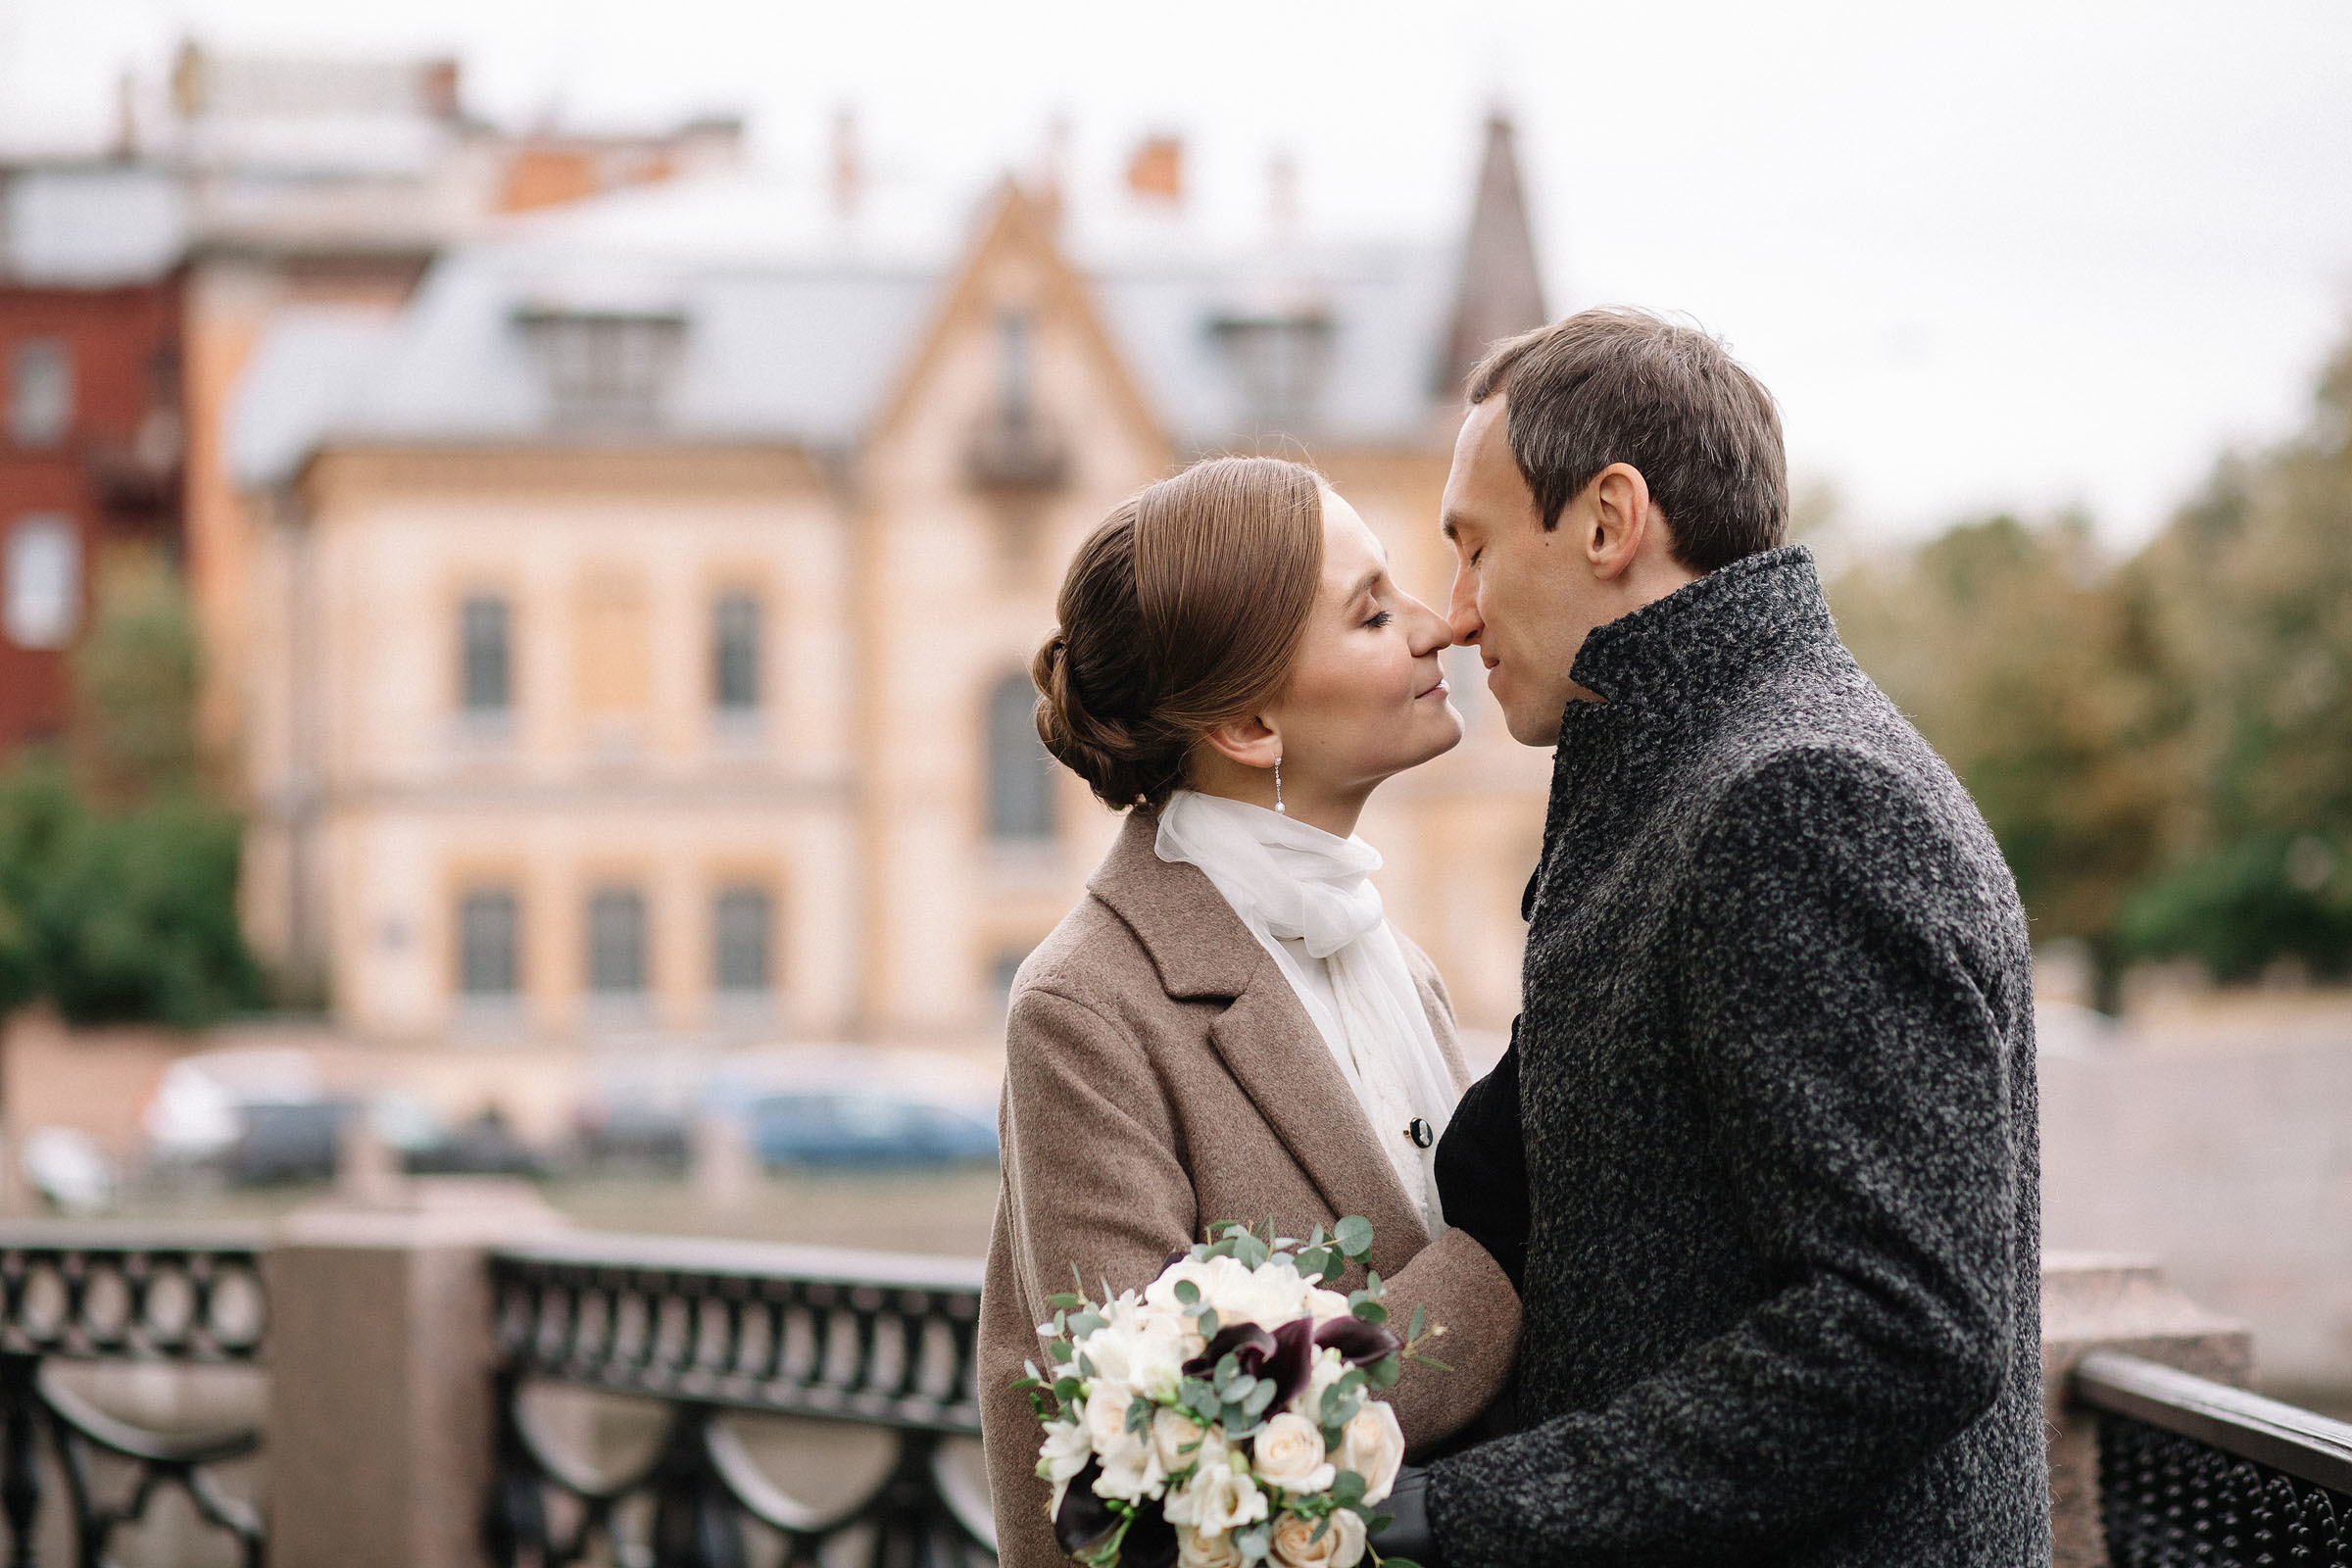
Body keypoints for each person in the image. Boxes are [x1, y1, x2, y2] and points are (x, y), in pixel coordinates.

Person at [1386, 309, 2051, 1567]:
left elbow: (1901, 1324)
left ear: (1607, 520)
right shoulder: (1696, 772)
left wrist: (1460, 1513)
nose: (1457, 616)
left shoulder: (1793, 798)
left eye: (1471, 549)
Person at [977, 457, 1522, 1568]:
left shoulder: (1396, 962)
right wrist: (1500, 1257)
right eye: (1374, 613)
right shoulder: (1084, 1005)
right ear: (1246, 724)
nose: (1439, 629)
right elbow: (1157, 1454)